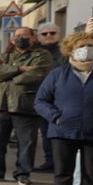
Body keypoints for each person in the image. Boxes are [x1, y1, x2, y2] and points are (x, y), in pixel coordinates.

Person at [34, 30, 93, 185]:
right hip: (62, 131)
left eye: (90, 46)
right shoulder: (58, 74)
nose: (86, 50)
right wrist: (56, 117)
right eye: (81, 47)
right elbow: (40, 101)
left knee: (92, 173)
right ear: (70, 50)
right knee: (63, 171)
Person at [0, 26, 54, 185]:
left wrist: (12, 78)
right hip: (3, 104)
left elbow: (38, 74)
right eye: (18, 35)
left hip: (25, 104)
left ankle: (22, 173)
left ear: (33, 38)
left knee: (26, 143)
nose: (21, 38)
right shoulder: (5, 55)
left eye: (25, 35)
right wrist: (20, 68)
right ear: (13, 39)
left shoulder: (42, 55)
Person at [34, 23, 66, 172]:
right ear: (38, 36)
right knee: (46, 132)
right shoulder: (34, 53)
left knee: (61, 132)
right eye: (44, 34)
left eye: (52, 33)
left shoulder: (65, 52)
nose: (49, 36)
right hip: (42, 99)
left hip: (62, 98)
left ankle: (62, 163)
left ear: (59, 35)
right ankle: (50, 161)